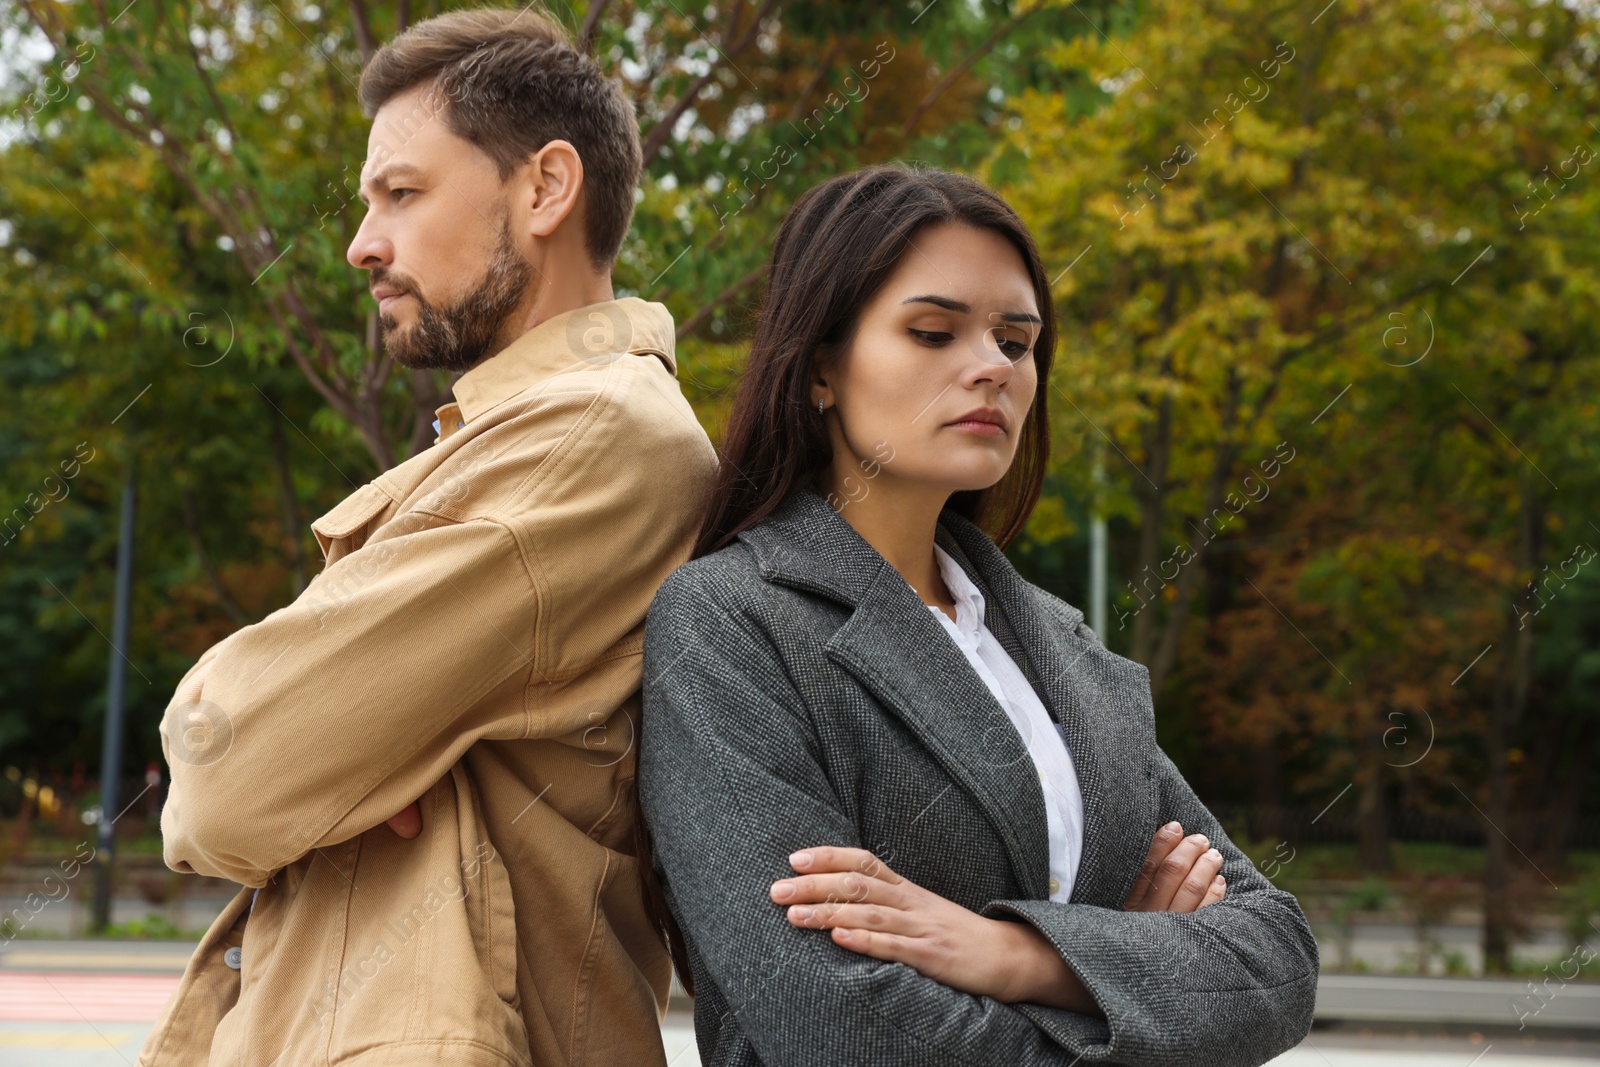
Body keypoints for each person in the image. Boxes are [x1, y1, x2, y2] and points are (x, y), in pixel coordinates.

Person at [637, 164, 1319, 1066]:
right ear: (818, 371)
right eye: (933, 331)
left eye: (1017, 340)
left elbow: (1277, 961)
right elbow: (837, 1025)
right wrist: (1131, 973)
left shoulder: (1054, 645)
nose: (992, 367)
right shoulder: (730, 622)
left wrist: (1012, 952)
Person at [138, 8, 715, 1066]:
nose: (362, 244)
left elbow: (225, 767)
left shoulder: (593, 433)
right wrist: (356, 754)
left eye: (400, 193)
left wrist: (334, 756)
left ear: (546, 187)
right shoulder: (523, 434)